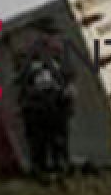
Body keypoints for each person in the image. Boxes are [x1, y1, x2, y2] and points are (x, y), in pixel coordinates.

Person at [16, 27, 75, 179]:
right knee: (43, 147)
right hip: (42, 112)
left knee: (56, 145)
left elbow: (69, 81)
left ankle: (57, 171)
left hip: (53, 110)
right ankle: (46, 173)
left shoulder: (57, 61)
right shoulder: (32, 64)